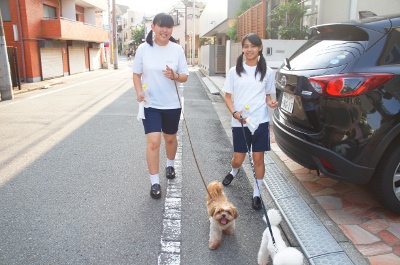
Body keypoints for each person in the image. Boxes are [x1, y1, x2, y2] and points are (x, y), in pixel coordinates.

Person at [132, 13, 189, 199]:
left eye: (169, 27)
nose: (165, 30)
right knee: (154, 141)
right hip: (151, 104)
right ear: (153, 27)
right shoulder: (143, 49)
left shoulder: (177, 49)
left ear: (172, 29)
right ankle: (155, 182)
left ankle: (170, 164)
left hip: (172, 104)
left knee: (170, 139)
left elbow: (185, 76)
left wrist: (175, 76)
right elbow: (136, 74)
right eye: (161, 26)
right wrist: (139, 92)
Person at [221, 33, 278, 210]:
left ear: (260, 47)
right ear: (243, 48)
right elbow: (228, 97)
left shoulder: (267, 72)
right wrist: (235, 114)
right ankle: (234, 171)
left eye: (253, 46)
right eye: (246, 46)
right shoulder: (234, 71)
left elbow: (267, 96)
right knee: (238, 158)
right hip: (241, 121)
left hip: (260, 121)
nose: (249, 49)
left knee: (258, 158)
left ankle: (257, 193)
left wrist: (271, 103)